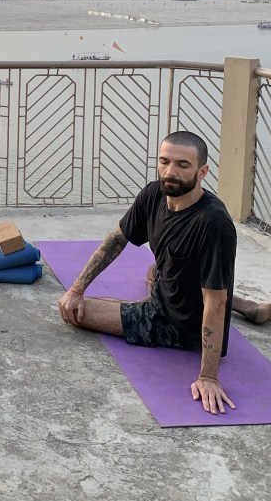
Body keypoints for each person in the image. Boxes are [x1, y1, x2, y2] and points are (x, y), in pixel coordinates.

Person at [58, 131, 271, 415]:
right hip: (170, 286)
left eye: (183, 165)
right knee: (154, 269)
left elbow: (215, 303)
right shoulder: (154, 194)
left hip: (178, 323)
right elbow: (117, 240)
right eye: (164, 161)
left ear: (202, 171)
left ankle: (226, 308)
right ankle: (249, 307)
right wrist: (76, 288)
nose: (170, 172)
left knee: (78, 313)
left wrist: (208, 376)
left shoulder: (213, 223)